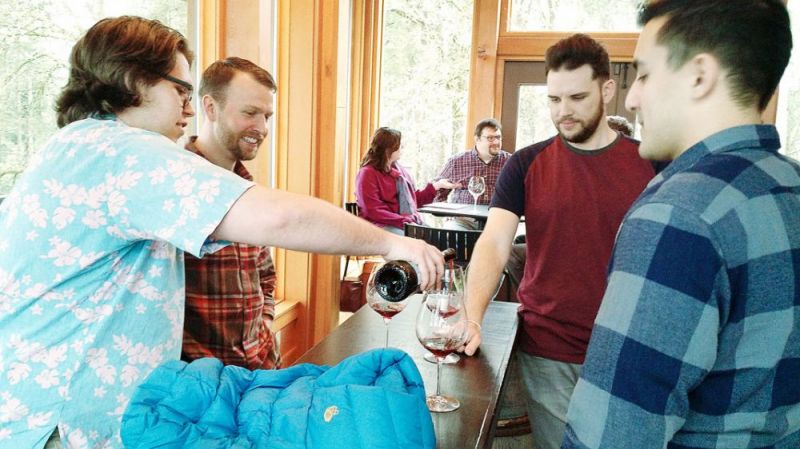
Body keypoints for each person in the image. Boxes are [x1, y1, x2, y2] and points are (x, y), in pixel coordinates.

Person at [0, 16, 444, 449]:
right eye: (179, 90)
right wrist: (391, 241)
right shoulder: (122, 151)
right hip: (66, 422)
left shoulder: (81, 146)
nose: (189, 107)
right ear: (133, 80)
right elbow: (280, 218)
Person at [563, 1, 799, 448]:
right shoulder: (791, 186)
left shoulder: (679, 214)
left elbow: (614, 433)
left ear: (699, 76)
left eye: (646, 74)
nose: (632, 98)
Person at [461, 34, 657, 449]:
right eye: (553, 100)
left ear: (607, 90)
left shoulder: (652, 165)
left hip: (629, 352)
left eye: (576, 97)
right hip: (547, 349)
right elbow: (495, 243)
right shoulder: (526, 164)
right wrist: (472, 317)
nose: (563, 112)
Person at [180, 57, 281, 370]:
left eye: (267, 116)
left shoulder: (246, 185)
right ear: (210, 108)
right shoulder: (175, 185)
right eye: (250, 113)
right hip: (202, 384)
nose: (262, 128)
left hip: (260, 370)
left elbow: (264, 275)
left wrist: (264, 321)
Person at [355, 127, 458, 235]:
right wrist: (405, 221)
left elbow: (412, 201)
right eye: (399, 145)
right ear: (388, 149)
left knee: (440, 237)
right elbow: (372, 211)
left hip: (403, 223)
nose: (402, 147)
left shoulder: (400, 172)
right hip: (378, 225)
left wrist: (437, 185)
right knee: (417, 239)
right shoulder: (367, 173)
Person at [432, 118, 511, 230]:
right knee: (450, 232)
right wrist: (447, 212)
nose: (496, 142)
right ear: (477, 139)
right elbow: (438, 189)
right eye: (490, 138)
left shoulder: (510, 162)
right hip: (463, 221)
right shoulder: (457, 161)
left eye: (498, 137)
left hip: (497, 222)